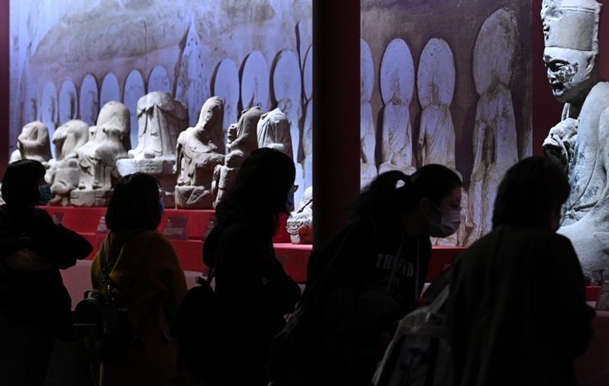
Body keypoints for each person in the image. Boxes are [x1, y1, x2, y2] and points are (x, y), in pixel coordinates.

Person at [269, 163, 463, 386]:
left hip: (370, 364)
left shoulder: (420, 247)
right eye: (453, 205)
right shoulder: (367, 229)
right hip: (327, 359)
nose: (456, 215)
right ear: (426, 205)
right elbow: (330, 293)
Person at [449, 157, 595, 386]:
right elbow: (574, 333)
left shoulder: (472, 254)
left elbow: (456, 333)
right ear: (549, 205)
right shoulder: (553, 249)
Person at [541, 0, 609, 283]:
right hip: (572, 228)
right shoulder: (570, 108)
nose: (551, 76)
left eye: (559, 67)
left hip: (605, 240)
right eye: (547, 66)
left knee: (544, 256)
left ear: (589, 62)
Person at [202, 147, 302, 386]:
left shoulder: (236, 228)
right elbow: (275, 293)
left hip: (237, 346)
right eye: (289, 186)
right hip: (248, 349)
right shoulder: (245, 235)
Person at [0, 159, 93, 386]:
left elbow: (80, 249)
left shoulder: (39, 218)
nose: (45, 184)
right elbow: (17, 261)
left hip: (46, 316)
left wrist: (32, 245)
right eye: (39, 181)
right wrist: (50, 253)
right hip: (15, 315)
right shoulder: (2, 219)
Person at [90, 172, 188, 386]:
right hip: (150, 355)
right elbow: (178, 303)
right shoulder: (155, 244)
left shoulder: (106, 246)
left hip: (113, 355)